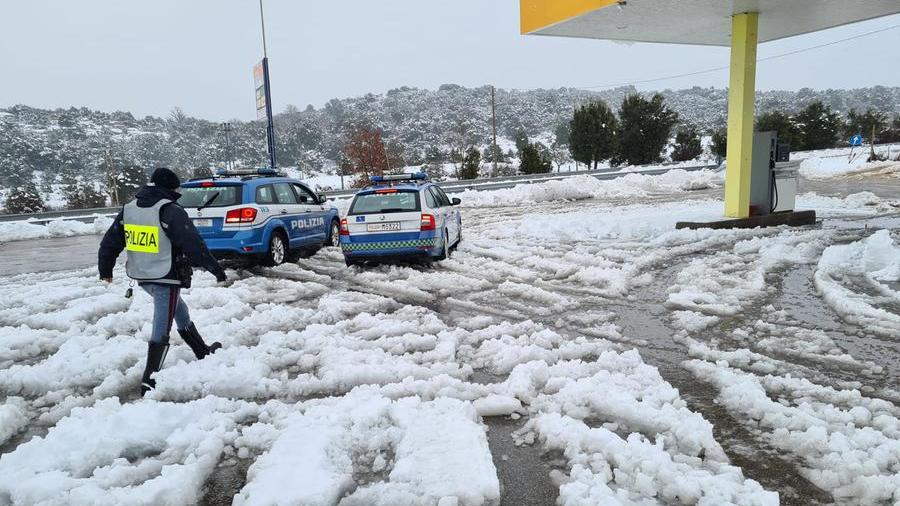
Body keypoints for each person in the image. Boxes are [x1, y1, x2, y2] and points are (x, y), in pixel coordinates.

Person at [98, 167, 228, 396]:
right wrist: (215, 269)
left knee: (179, 310)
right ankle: (150, 377)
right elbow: (193, 244)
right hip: (165, 275)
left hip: (142, 274)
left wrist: (105, 268)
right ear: (169, 189)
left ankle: (202, 351)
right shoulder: (169, 210)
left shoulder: (130, 209)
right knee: (162, 325)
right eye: (177, 190)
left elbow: (111, 241)